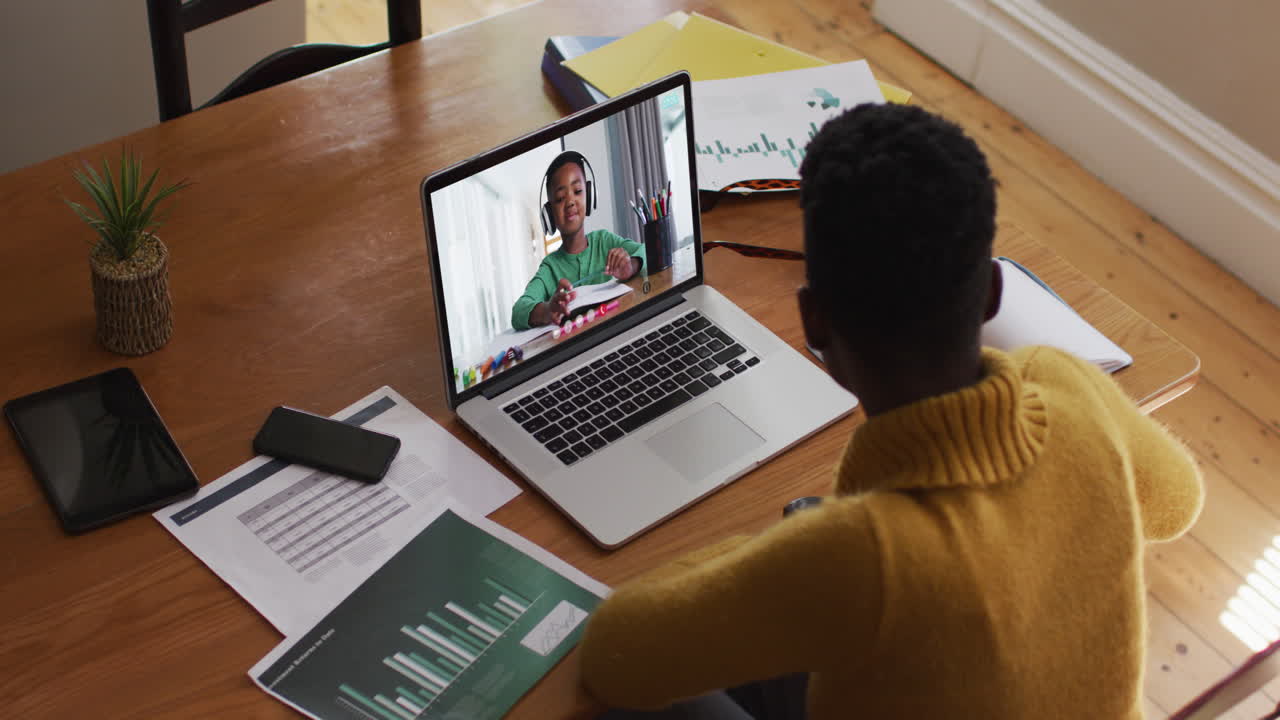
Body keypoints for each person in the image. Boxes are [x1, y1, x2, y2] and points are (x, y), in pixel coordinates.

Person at [577, 103, 1204, 718]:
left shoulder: (856, 557)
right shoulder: (1068, 384)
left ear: (814, 320)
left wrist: (786, 551)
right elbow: (1178, 503)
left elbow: (614, 654)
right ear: (990, 291)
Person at [511, 152, 646, 330]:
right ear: (549, 214)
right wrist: (547, 310)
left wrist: (632, 266)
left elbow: (647, 250)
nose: (570, 202)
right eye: (560, 199)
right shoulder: (549, 268)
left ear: (589, 195)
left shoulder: (604, 241)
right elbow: (518, 311)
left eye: (578, 191)